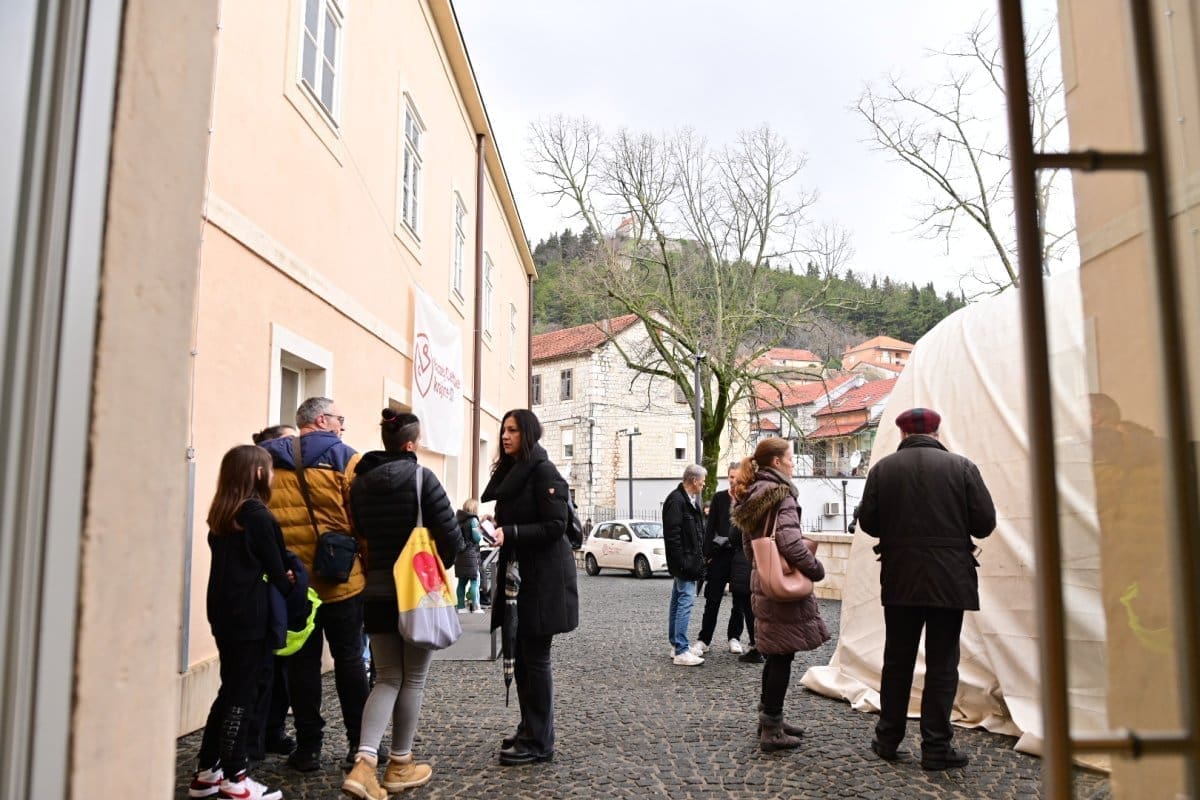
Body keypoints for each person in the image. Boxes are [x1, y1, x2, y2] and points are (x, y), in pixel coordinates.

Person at [857, 407, 996, 771]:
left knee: (897, 659)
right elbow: (984, 525)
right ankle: (936, 747)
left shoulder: (883, 470)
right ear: (937, 432)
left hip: (900, 576)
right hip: (950, 578)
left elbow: (869, 524)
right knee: (942, 663)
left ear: (903, 434)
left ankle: (887, 739)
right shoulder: (962, 468)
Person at [341, 410, 462, 798]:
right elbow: (452, 538)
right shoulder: (421, 478)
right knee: (413, 679)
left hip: (375, 590)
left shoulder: (358, 484)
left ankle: (363, 763)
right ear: (410, 444)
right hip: (416, 595)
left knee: (387, 677)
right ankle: (400, 763)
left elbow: (358, 531)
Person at [258, 397, 369, 772]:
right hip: (341, 580)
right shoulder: (345, 457)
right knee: (350, 661)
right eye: (340, 418)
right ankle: (361, 746)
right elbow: (360, 520)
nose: (342, 425)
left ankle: (308, 748)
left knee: (301, 668)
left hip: (294, 584)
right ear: (322, 419)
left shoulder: (265, 459)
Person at [188, 445, 292, 800]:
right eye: (269, 469)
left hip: (223, 612)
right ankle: (235, 777)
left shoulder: (222, 515)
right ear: (258, 473)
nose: (274, 475)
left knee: (229, 690)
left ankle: (207, 771)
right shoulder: (258, 516)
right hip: (250, 616)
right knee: (241, 696)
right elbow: (279, 571)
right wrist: (291, 578)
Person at [482, 409, 579, 766]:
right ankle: (529, 729)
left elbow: (556, 524)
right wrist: (498, 523)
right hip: (521, 578)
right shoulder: (515, 473)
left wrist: (513, 532)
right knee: (521, 657)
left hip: (543, 581)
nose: (505, 436)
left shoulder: (544, 472)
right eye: (503, 430)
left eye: (512, 430)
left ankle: (540, 741)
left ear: (528, 434)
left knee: (534, 659)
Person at [730, 436, 829, 752]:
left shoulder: (753, 493)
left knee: (775, 653)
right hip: (781, 586)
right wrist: (815, 568)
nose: (793, 463)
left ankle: (769, 719)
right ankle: (771, 730)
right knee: (782, 655)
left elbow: (749, 547)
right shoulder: (781, 495)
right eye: (790, 458)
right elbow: (790, 543)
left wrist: (764, 567)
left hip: (763, 582)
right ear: (776, 462)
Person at [245, 424, 300, 763]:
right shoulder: (258, 505)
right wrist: (286, 576)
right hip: (267, 595)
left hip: (267, 593)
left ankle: (271, 732)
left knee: (278, 673)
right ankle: (252, 745)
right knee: (263, 675)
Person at [695, 462, 748, 657]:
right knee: (713, 598)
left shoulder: (747, 499)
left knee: (740, 600)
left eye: (737, 477)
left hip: (740, 556)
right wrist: (707, 555)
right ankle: (704, 639)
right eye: (731, 477)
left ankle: (734, 637)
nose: (734, 481)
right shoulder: (718, 498)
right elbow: (710, 529)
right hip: (720, 555)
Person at [662, 464, 708, 666]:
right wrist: (682, 562)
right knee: (684, 602)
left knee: (678, 601)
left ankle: (677, 644)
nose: (704, 484)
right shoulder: (677, 501)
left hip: (688, 561)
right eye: (703, 480)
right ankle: (680, 648)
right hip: (685, 563)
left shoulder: (686, 500)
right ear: (694, 480)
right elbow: (673, 537)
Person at [454, 499, 484, 613]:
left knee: (461, 582)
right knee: (475, 581)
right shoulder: (473, 521)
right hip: (471, 555)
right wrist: (480, 532)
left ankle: (461, 607)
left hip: (460, 555)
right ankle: (476, 607)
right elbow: (477, 538)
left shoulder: (458, 520)